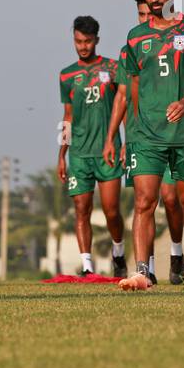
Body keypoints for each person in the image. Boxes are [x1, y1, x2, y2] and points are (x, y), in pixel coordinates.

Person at [105, 0, 184, 291]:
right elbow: (125, 92)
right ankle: (142, 270)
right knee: (143, 202)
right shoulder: (135, 38)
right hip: (145, 134)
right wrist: (114, 136)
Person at [58, 15, 127, 277]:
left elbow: (125, 106)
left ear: (96, 40)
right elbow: (67, 117)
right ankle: (87, 267)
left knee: (111, 211)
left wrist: (125, 142)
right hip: (78, 154)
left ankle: (118, 252)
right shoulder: (67, 75)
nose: (83, 46)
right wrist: (61, 154)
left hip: (107, 152)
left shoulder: (113, 68)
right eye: (78, 41)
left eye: (87, 41)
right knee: (81, 210)